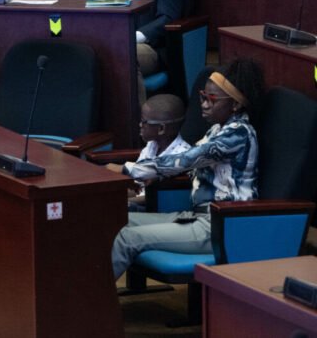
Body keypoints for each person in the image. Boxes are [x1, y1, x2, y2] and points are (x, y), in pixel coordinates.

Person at [110, 58, 264, 280]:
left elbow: (185, 160)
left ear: (235, 105)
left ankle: (93, 300)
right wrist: (153, 176)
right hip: (197, 217)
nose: (204, 104)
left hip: (221, 226)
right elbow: (186, 164)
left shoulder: (238, 134)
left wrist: (126, 169)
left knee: (128, 238)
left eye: (212, 99)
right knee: (112, 219)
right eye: (203, 96)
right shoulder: (217, 130)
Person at [124, 94, 191, 209]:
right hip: (138, 198)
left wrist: (122, 201)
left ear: (161, 129)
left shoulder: (181, 156)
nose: (140, 125)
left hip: (156, 208)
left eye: (144, 122)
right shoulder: (152, 144)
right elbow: (138, 185)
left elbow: (153, 196)